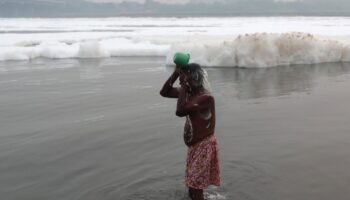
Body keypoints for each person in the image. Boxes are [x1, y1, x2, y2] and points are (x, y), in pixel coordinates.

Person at [160, 62, 220, 200]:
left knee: (195, 184)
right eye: (180, 78)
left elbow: (180, 111)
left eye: (183, 78)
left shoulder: (206, 97)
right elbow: (164, 92)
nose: (181, 81)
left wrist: (184, 88)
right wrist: (175, 73)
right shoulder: (189, 93)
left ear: (193, 79)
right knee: (192, 183)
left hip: (204, 145)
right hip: (194, 147)